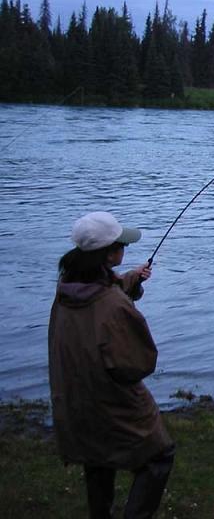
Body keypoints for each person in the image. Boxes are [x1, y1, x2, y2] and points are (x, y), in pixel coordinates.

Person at [48, 211, 174, 519]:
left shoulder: (67, 290)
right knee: (159, 456)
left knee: (97, 458)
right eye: (121, 245)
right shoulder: (113, 305)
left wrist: (131, 278)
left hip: (76, 396)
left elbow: (101, 298)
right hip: (111, 399)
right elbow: (139, 363)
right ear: (108, 254)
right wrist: (124, 296)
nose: (125, 249)